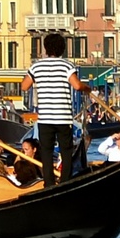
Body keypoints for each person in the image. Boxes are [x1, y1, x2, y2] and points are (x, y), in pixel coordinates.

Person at [23, 32, 91, 188]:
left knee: (46, 152)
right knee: (66, 151)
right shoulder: (67, 65)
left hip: (45, 118)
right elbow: (77, 85)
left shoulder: (36, 66)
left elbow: (24, 86)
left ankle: (49, 184)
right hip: (63, 117)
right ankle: (65, 183)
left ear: (46, 48)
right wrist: (87, 88)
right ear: (62, 49)